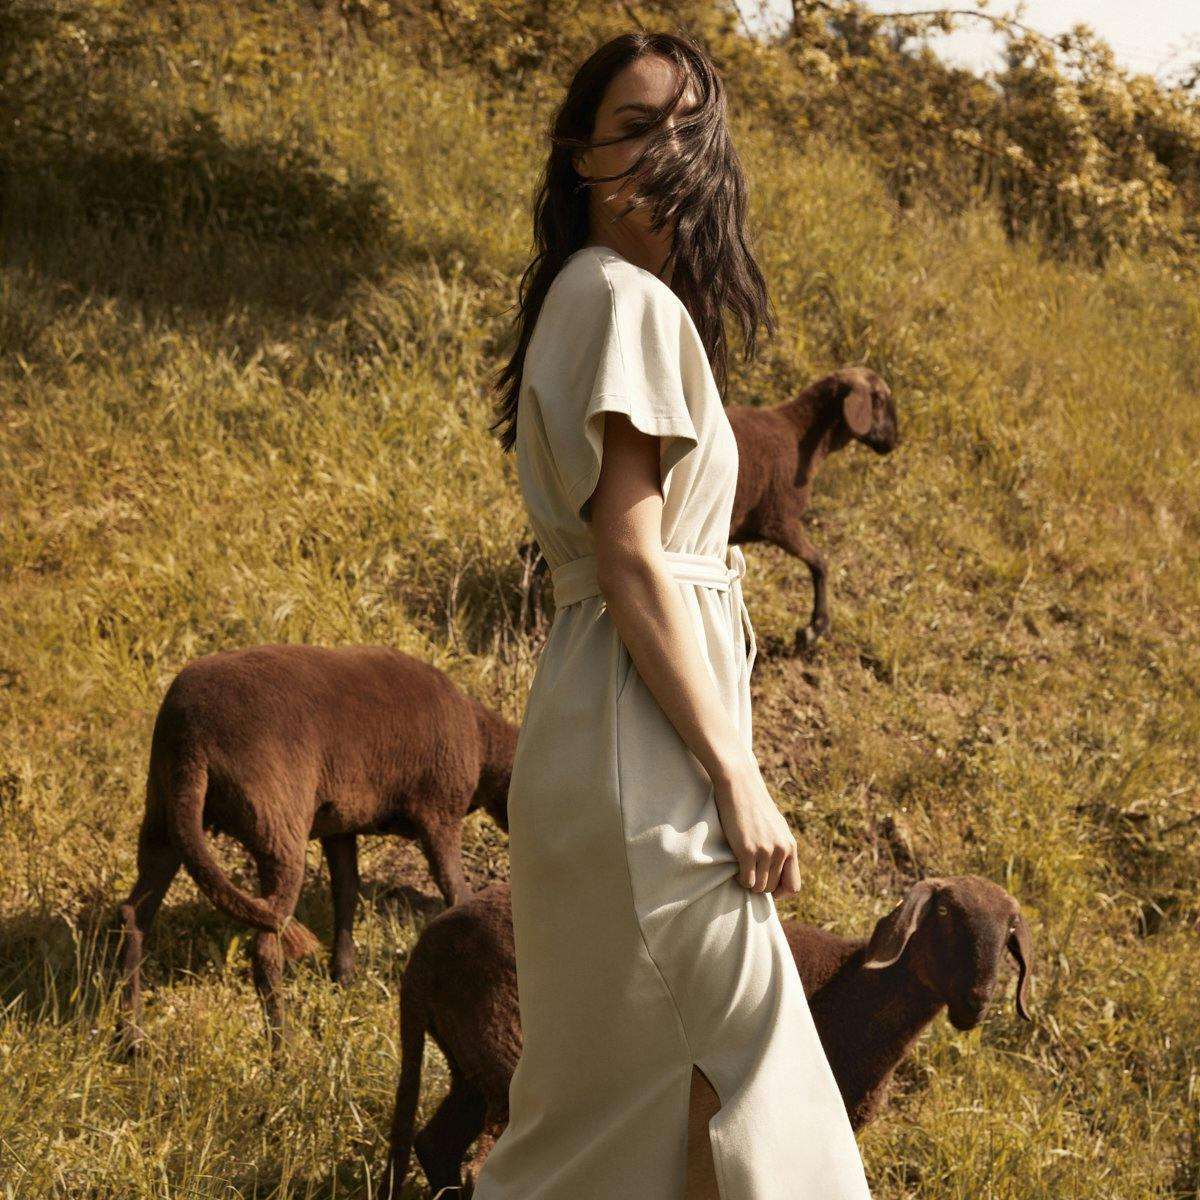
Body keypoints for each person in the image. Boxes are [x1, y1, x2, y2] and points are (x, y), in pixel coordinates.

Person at [479, 30, 874, 1200]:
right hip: (646, 769)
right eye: (634, 124)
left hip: (609, 740)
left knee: (645, 1117)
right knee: (756, 1091)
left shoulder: (599, 297)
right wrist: (736, 774)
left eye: (685, 123)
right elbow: (633, 558)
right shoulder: (621, 301)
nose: (664, 148)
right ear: (581, 157)